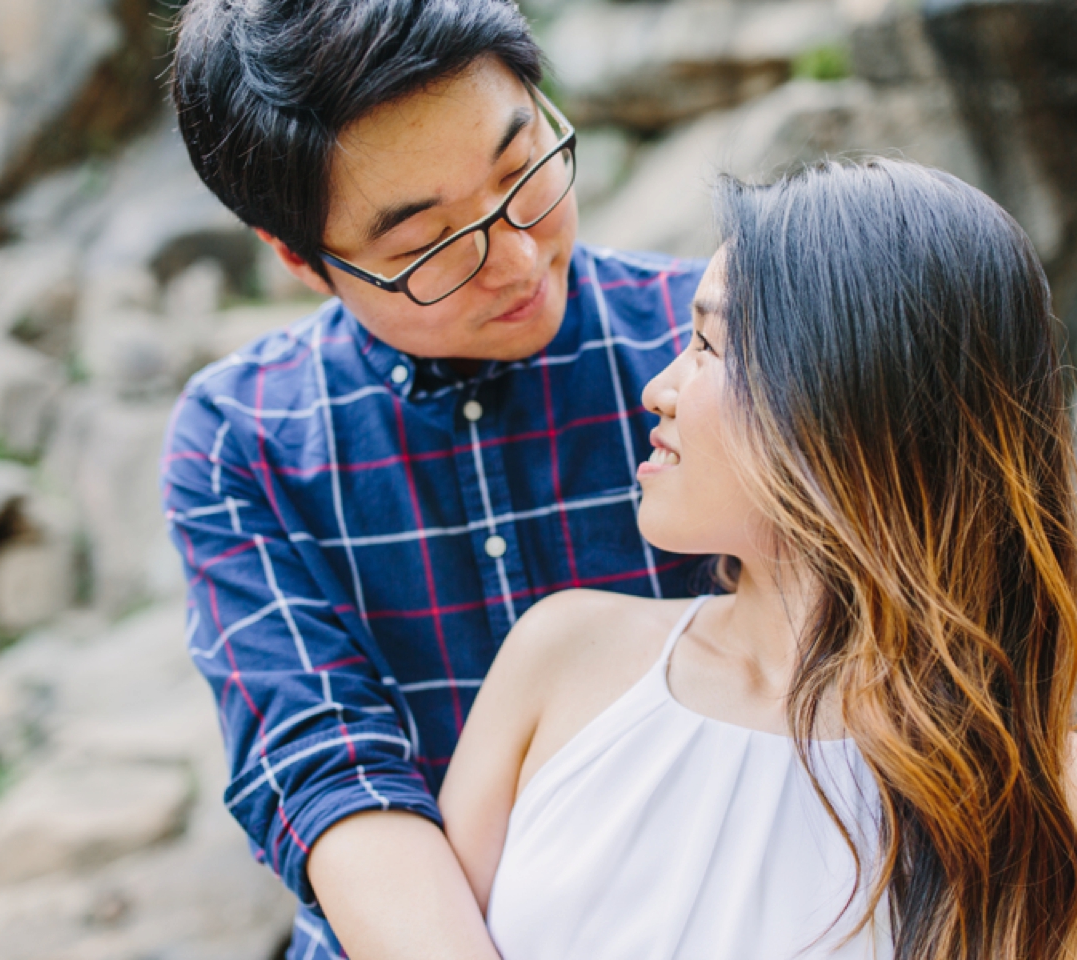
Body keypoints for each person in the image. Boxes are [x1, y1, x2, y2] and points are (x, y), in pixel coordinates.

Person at [438, 160, 1077, 959]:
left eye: (708, 344)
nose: (658, 390)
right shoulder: (559, 655)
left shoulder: (1045, 804)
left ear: (847, 402)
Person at [160, 2, 708, 958]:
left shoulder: (713, 348)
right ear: (298, 258)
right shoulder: (243, 438)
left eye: (521, 171)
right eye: (425, 249)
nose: (517, 259)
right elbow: (324, 770)